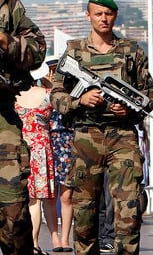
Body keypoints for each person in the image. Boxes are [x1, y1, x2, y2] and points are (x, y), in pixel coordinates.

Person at [50, 0, 153, 255]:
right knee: (84, 211)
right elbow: (56, 95)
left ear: (115, 16)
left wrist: (130, 111)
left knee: (129, 208)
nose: (103, 18)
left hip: (122, 135)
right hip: (86, 135)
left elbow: (150, 92)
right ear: (88, 16)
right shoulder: (74, 51)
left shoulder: (131, 51)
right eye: (98, 13)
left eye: (108, 14)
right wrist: (81, 101)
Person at [0, 0, 47, 255]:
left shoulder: (9, 6)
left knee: (13, 213)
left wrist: (6, 40)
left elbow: (38, 50)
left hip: (3, 117)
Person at [15, 61, 57, 255]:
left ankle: (26, 244)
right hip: (41, 150)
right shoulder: (47, 96)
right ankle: (34, 244)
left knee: (25, 200)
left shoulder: (14, 97)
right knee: (37, 201)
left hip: (20, 149)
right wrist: (49, 85)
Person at [46, 55, 75, 254]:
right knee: (49, 195)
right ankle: (54, 237)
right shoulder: (41, 93)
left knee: (67, 196)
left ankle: (65, 237)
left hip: (68, 142)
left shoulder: (72, 93)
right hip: (48, 142)